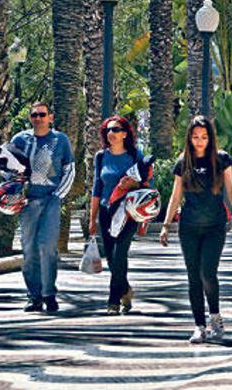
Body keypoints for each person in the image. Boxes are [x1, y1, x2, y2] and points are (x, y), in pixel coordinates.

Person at [160, 116, 232, 343]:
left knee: (208, 273)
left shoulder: (222, 159)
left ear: (210, 138)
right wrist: (166, 225)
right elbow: (176, 196)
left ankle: (215, 316)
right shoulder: (183, 162)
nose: (200, 141)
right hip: (189, 227)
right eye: (195, 137)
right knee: (193, 277)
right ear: (189, 138)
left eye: (204, 137)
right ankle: (199, 326)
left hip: (215, 226)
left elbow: (231, 191)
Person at [11, 102, 75, 313]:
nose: (38, 118)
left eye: (42, 114)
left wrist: (58, 196)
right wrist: (14, 191)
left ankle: (49, 294)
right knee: (29, 249)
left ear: (50, 117)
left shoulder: (60, 140)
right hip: (27, 203)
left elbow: (69, 169)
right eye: (34, 115)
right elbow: (7, 168)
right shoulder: (20, 140)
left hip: (50, 201)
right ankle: (34, 296)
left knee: (47, 246)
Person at [88, 115, 144, 315]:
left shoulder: (135, 155)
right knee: (112, 258)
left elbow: (146, 184)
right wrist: (92, 218)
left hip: (128, 211)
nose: (112, 133)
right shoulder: (101, 157)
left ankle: (113, 300)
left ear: (125, 133)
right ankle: (126, 289)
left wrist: (132, 184)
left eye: (116, 129)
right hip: (106, 210)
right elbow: (97, 187)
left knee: (120, 252)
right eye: (109, 130)